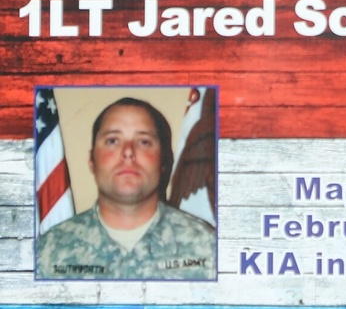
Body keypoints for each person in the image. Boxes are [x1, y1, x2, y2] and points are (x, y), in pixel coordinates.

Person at [36, 98, 216, 280]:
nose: (128, 151)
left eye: (144, 141)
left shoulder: (209, 248)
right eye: (113, 140)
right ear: (92, 160)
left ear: (163, 160)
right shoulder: (47, 252)